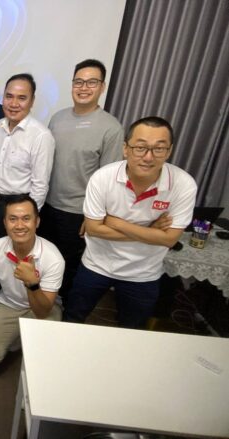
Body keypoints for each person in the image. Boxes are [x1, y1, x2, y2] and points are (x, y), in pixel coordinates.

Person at [64, 117, 197, 328]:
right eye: (140, 147)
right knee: (72, 318)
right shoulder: (103, 178)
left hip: (143, 273)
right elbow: (94, 229)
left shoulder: (183, 184)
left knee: (132, 331)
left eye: (159, 149)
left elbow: (169, 239)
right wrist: (151, 230)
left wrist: (116, 223)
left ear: (169, 151)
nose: (148, 157)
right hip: (97, 263)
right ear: (126, 149)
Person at [38, 59, 123, 303]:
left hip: (78, 213)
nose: (84, 87)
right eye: (79, 82)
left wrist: (94, 216)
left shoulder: (111, 128)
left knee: (68, 269)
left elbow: (110, 180)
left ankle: (60, 311)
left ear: (102, 87)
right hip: (47, 206)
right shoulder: (57, 119)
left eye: (91, 82)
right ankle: (39, 306)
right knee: (43, 261)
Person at [0, 195, 64, 371]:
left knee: (46, 355)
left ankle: (19, 337)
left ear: (37, 222)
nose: (19, 225)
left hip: (44, 306)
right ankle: (17, 336)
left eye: (26, 218)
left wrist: (32, 283)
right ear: (5, 223)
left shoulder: (53, 258)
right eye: (13, 219)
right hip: (9, 304)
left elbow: (42, 311)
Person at [0, 73, 55, 252]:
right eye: (9, 96)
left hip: (16, 208)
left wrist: (26, 218)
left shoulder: (41, 136)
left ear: (32, 101)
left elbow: (40, 185)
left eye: (22, 98)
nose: (13, 103)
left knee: (10, 256)